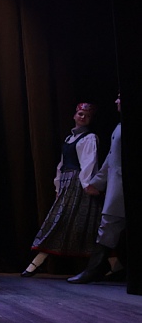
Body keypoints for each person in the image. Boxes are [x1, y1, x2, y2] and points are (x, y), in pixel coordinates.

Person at [23, 102, 103, 277]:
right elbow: (61, 165)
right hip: (67, 182)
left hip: (78, 183)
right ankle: (115, 264)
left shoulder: (89, 138)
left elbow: (88, 163)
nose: (83, 117)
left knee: (79, 223)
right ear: (75, 115)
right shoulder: (69, 139)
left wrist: (86, 185)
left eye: (87, 116)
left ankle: (36, 263)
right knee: (78, 223)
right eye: (80, 114)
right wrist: (58, 186)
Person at [70, 95, 124, 283]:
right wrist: (97, 182)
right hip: (117, 185)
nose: (116, 101)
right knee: (108, 225)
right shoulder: (119, 126)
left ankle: (96, 270)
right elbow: (111, 158)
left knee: (109, 224)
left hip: (122, 186)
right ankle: (96, 269)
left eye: (120, 97)